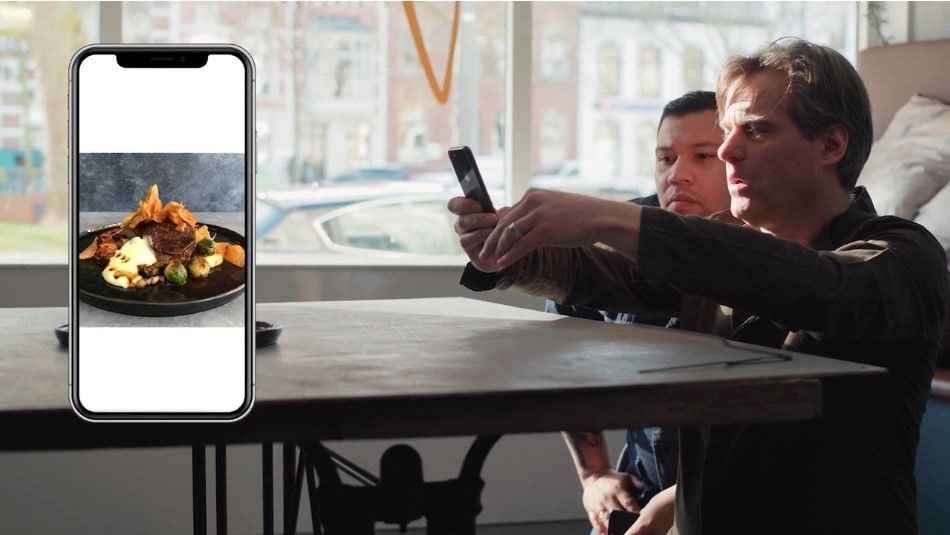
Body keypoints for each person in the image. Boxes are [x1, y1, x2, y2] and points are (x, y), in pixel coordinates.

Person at [449, 37, 947, 535]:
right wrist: (507, 249)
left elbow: (814, 285)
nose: (728, 151)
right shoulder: (724, 246)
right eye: (729, 132)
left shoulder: (904, 255)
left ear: (831, 145)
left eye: (755, 130)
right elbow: (600, 274)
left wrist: (611, 217)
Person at [550, 90, 729, 535]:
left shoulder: (776, 251)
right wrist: (593, 474)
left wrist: (680, 502)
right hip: (638, 489)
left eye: (702, 157)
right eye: (665, 158)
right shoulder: (624, 233)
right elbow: (564, 342)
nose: (677, 175)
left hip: (737, 498)